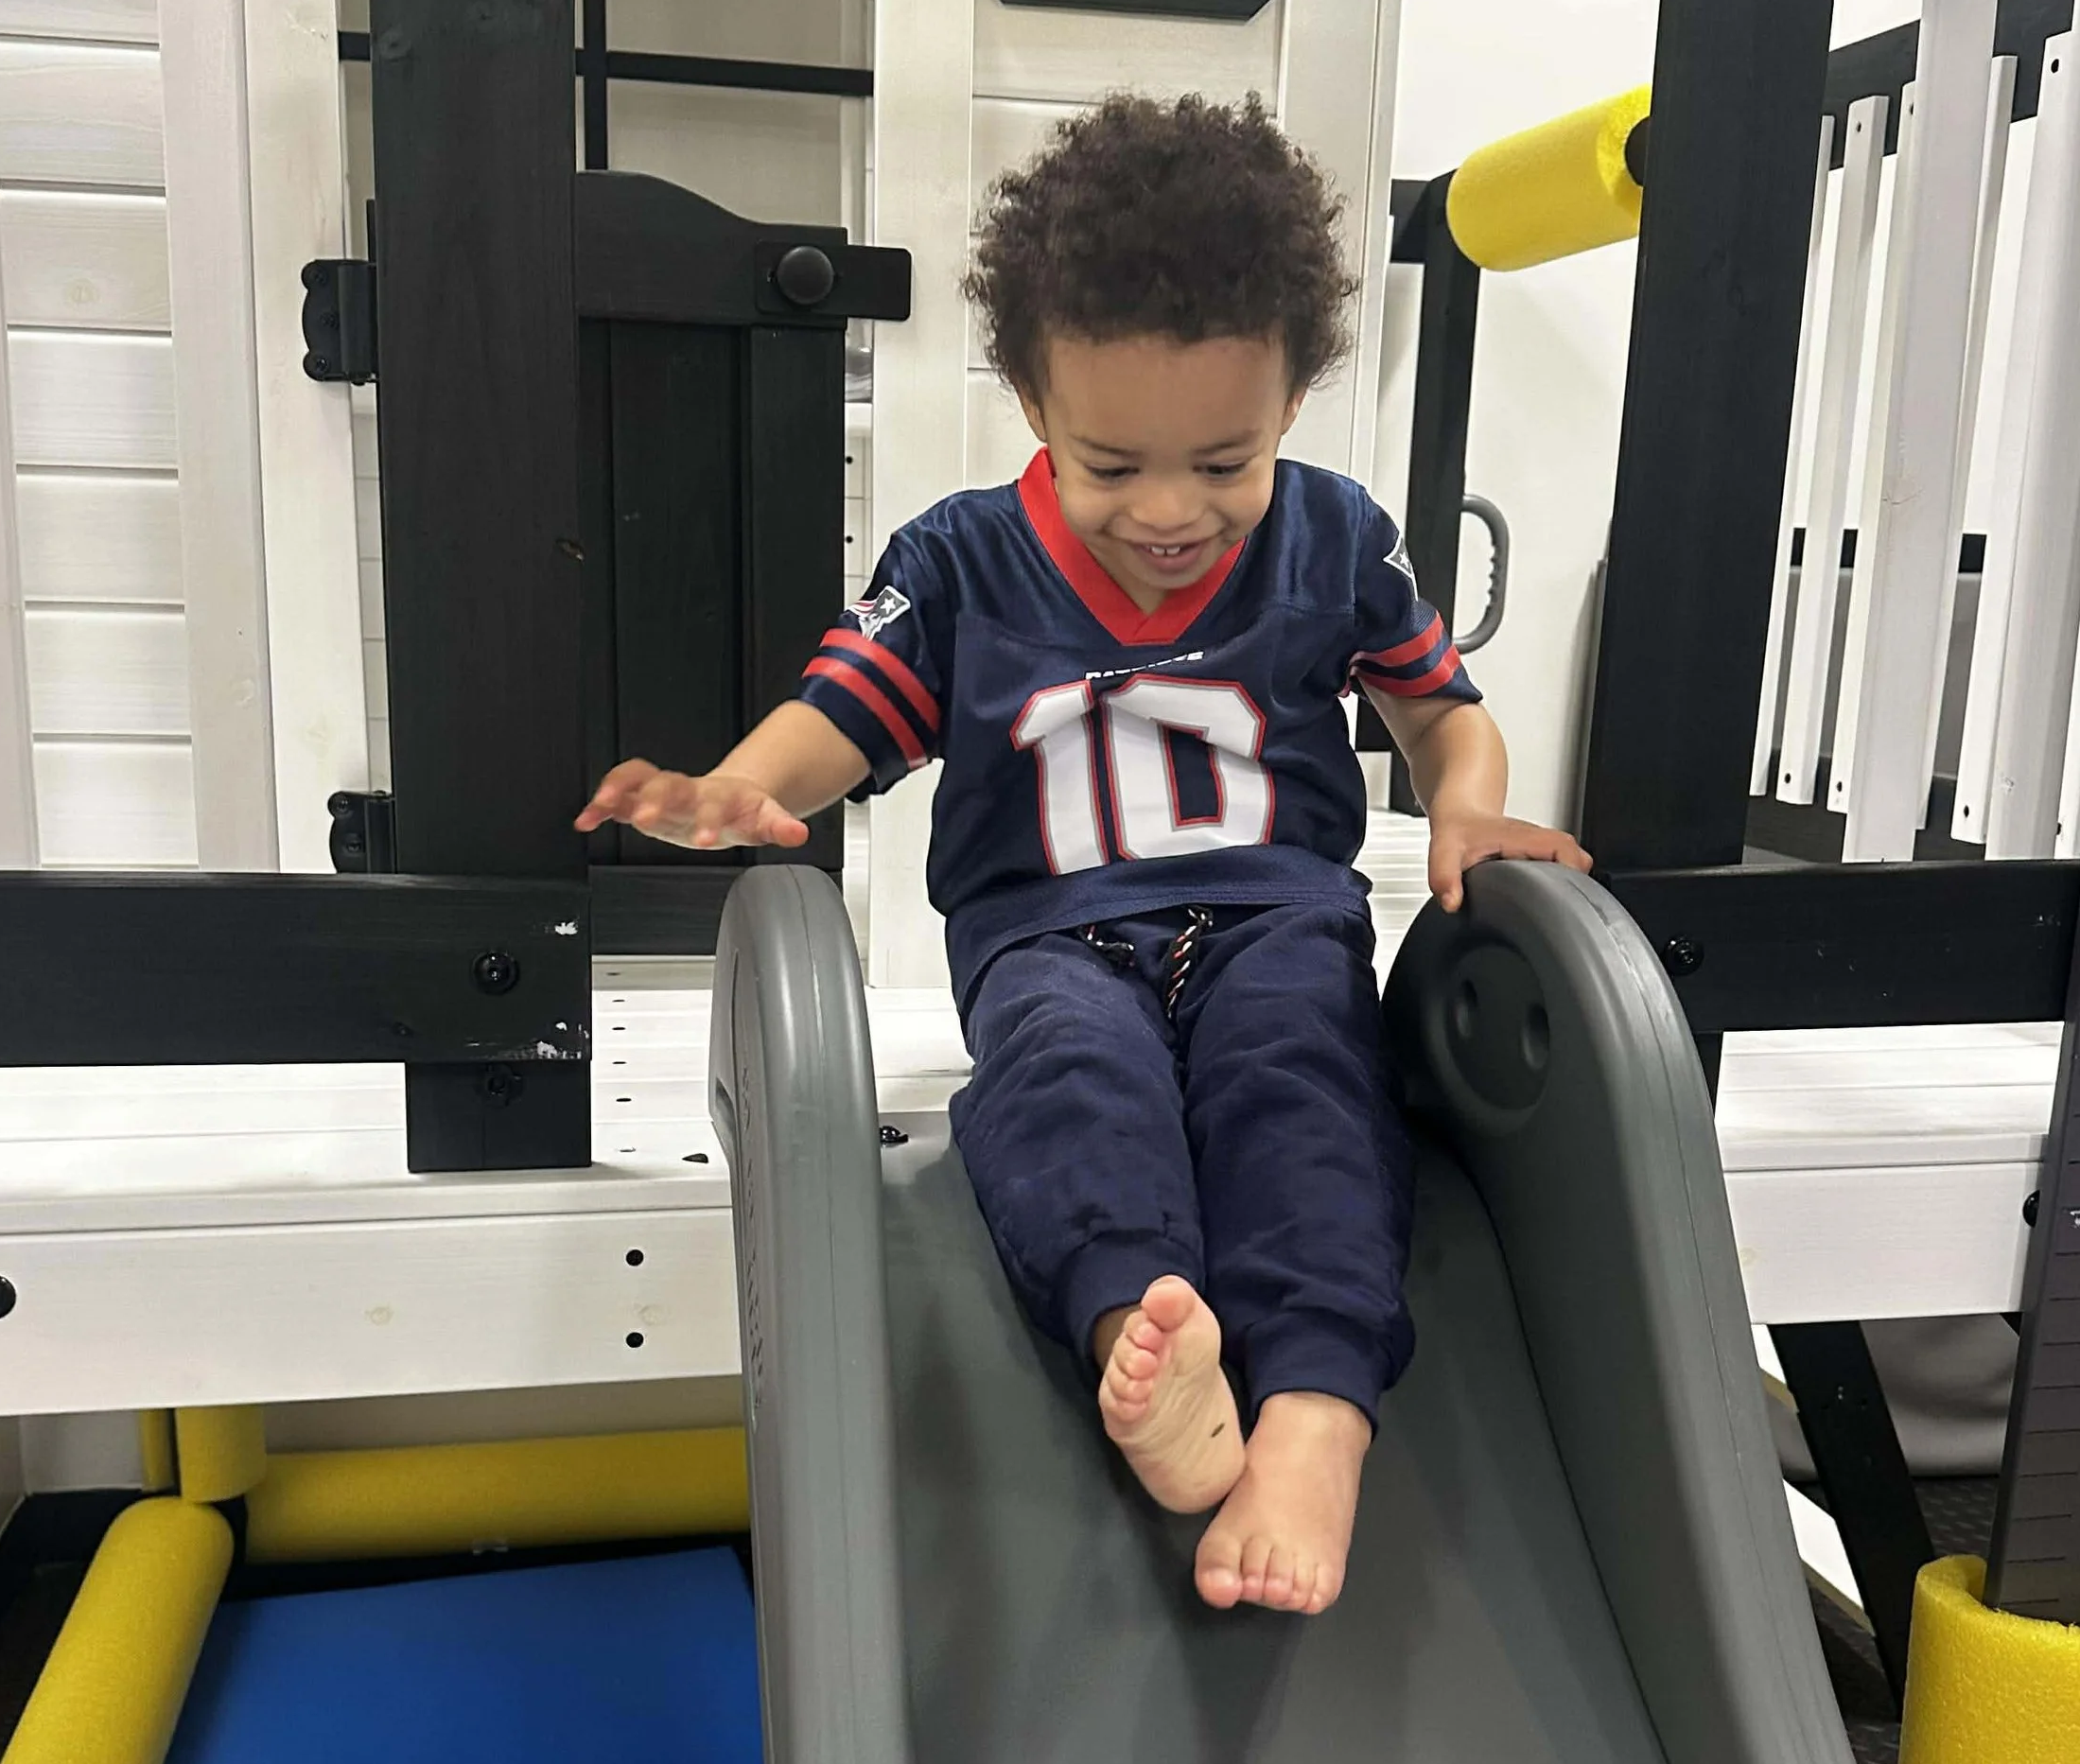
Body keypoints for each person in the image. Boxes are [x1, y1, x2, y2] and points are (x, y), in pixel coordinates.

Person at [579, 94, 1587, 1616]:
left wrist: (1466, 802)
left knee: (1303, 1074)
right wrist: (740, 787)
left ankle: (1316, 1414)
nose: (1170, 513)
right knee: (1064, 1078)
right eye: (1113, 467)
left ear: (1296, 398)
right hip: (1047, 936)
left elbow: (1444, 715)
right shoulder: (962, 562)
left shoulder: (1331, 538)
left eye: (1224, 462)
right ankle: (1148, 1342)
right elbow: (846, 712)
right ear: (1031, 398)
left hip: (1273, 916)